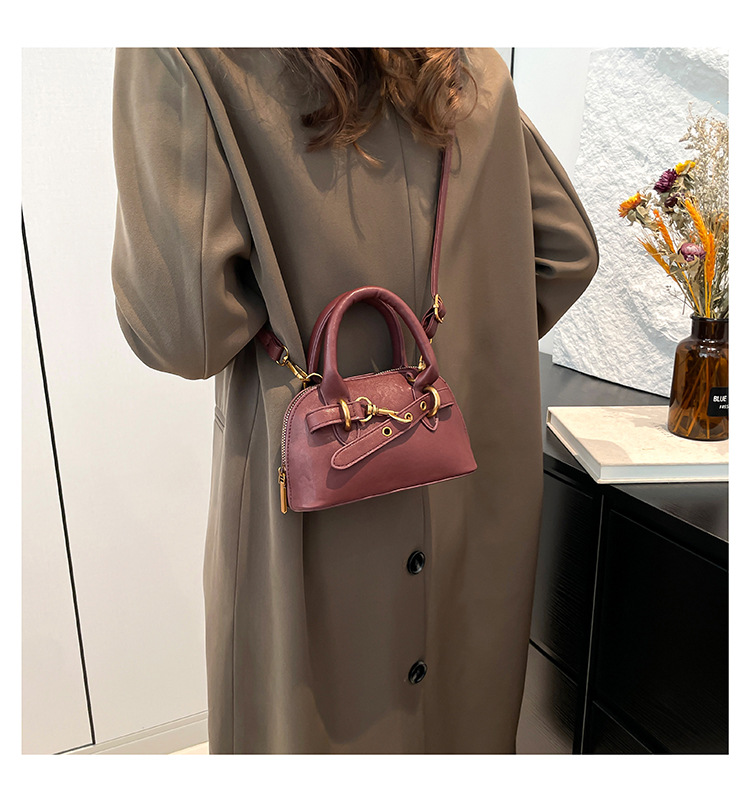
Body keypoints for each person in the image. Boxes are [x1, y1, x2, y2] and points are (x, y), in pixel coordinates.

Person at [110, 47, 598, 754]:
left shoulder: (188, 50)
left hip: (312, 504)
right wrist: (455, 350)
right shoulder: (470, 69)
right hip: (469, 492)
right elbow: (567, 251)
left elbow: (182, 333)